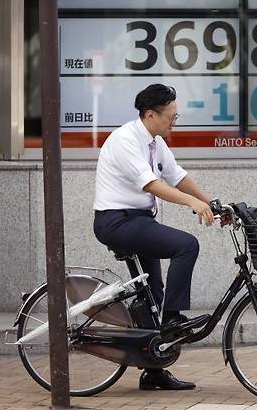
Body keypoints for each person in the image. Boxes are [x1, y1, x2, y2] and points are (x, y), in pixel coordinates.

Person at [93, 83, 215, 391]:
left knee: (152, 295)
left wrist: (210, 201)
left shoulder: (154, 142)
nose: (175, 121)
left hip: (138, 220)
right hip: (116, 221)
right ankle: (173, 320)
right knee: (186, 245)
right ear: (151, 115)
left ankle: (154, 371)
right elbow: (150, 183)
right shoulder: (125, 140)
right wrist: (191, 203)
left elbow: (176, 175)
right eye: (171, 116)